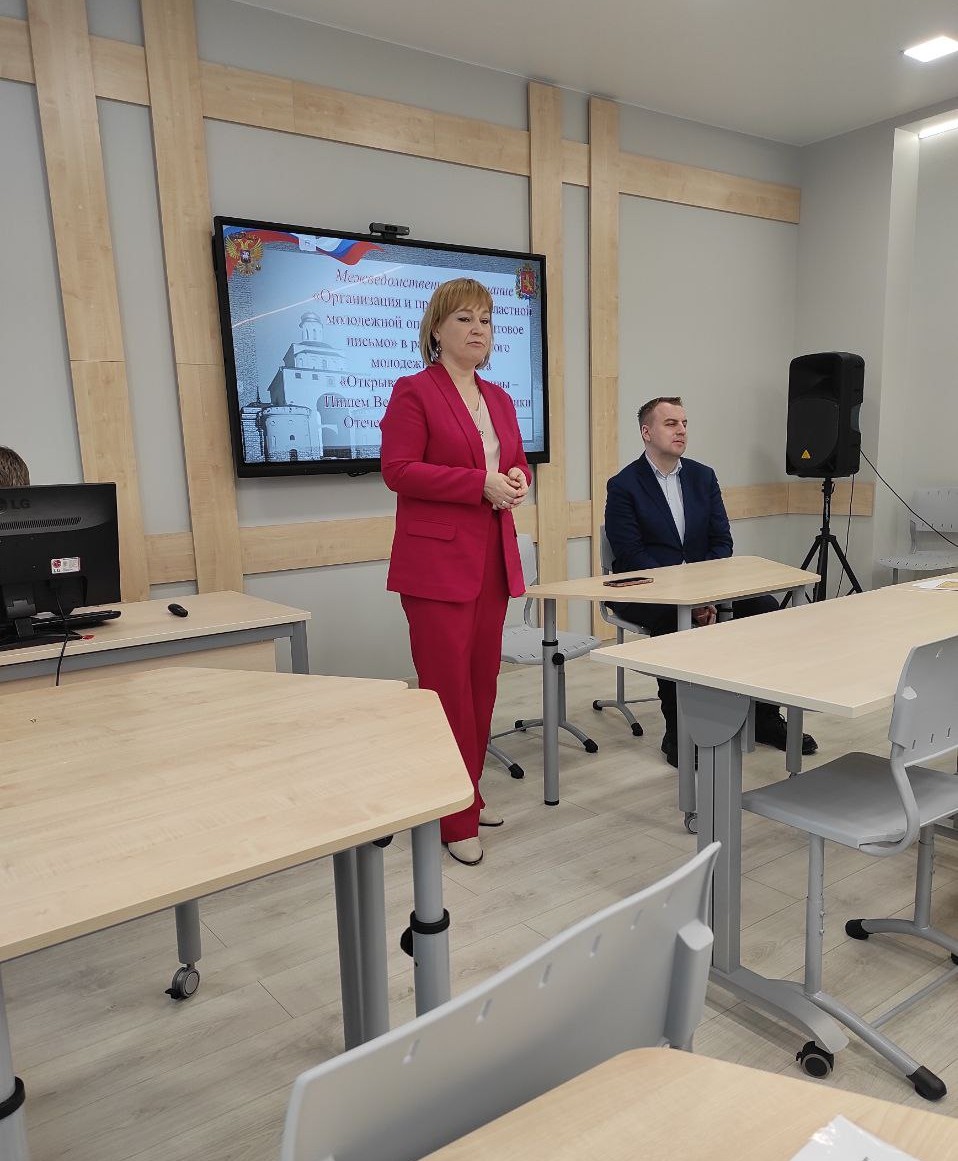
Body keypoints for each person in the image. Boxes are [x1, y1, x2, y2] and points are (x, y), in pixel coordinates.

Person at [380, 279, 531, 866]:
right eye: (465, 318)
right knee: (447, 693)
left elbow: (513, 462)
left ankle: (467, 792)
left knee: (483, 685)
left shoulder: (499, 398)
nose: (478, 329)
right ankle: (453, 817)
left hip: (492, 558)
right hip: (437, 565)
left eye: (486, 320)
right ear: (437, 329)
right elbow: (398, 470)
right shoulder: (414, 391)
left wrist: (516, 479)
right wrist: (478, 485)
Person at [604, 396, 817, 767]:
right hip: (648, 591)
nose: (681, 430)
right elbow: (631, 554)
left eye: (684, 423)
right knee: (674, 625)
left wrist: (707, 595)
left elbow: (722, 542)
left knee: (766, 610)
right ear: (646, 432)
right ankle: (678, 731)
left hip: (707, 587)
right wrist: (688, 597)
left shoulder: (703, 477)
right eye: (671, 423)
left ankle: (764, 718)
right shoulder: (624, 485)